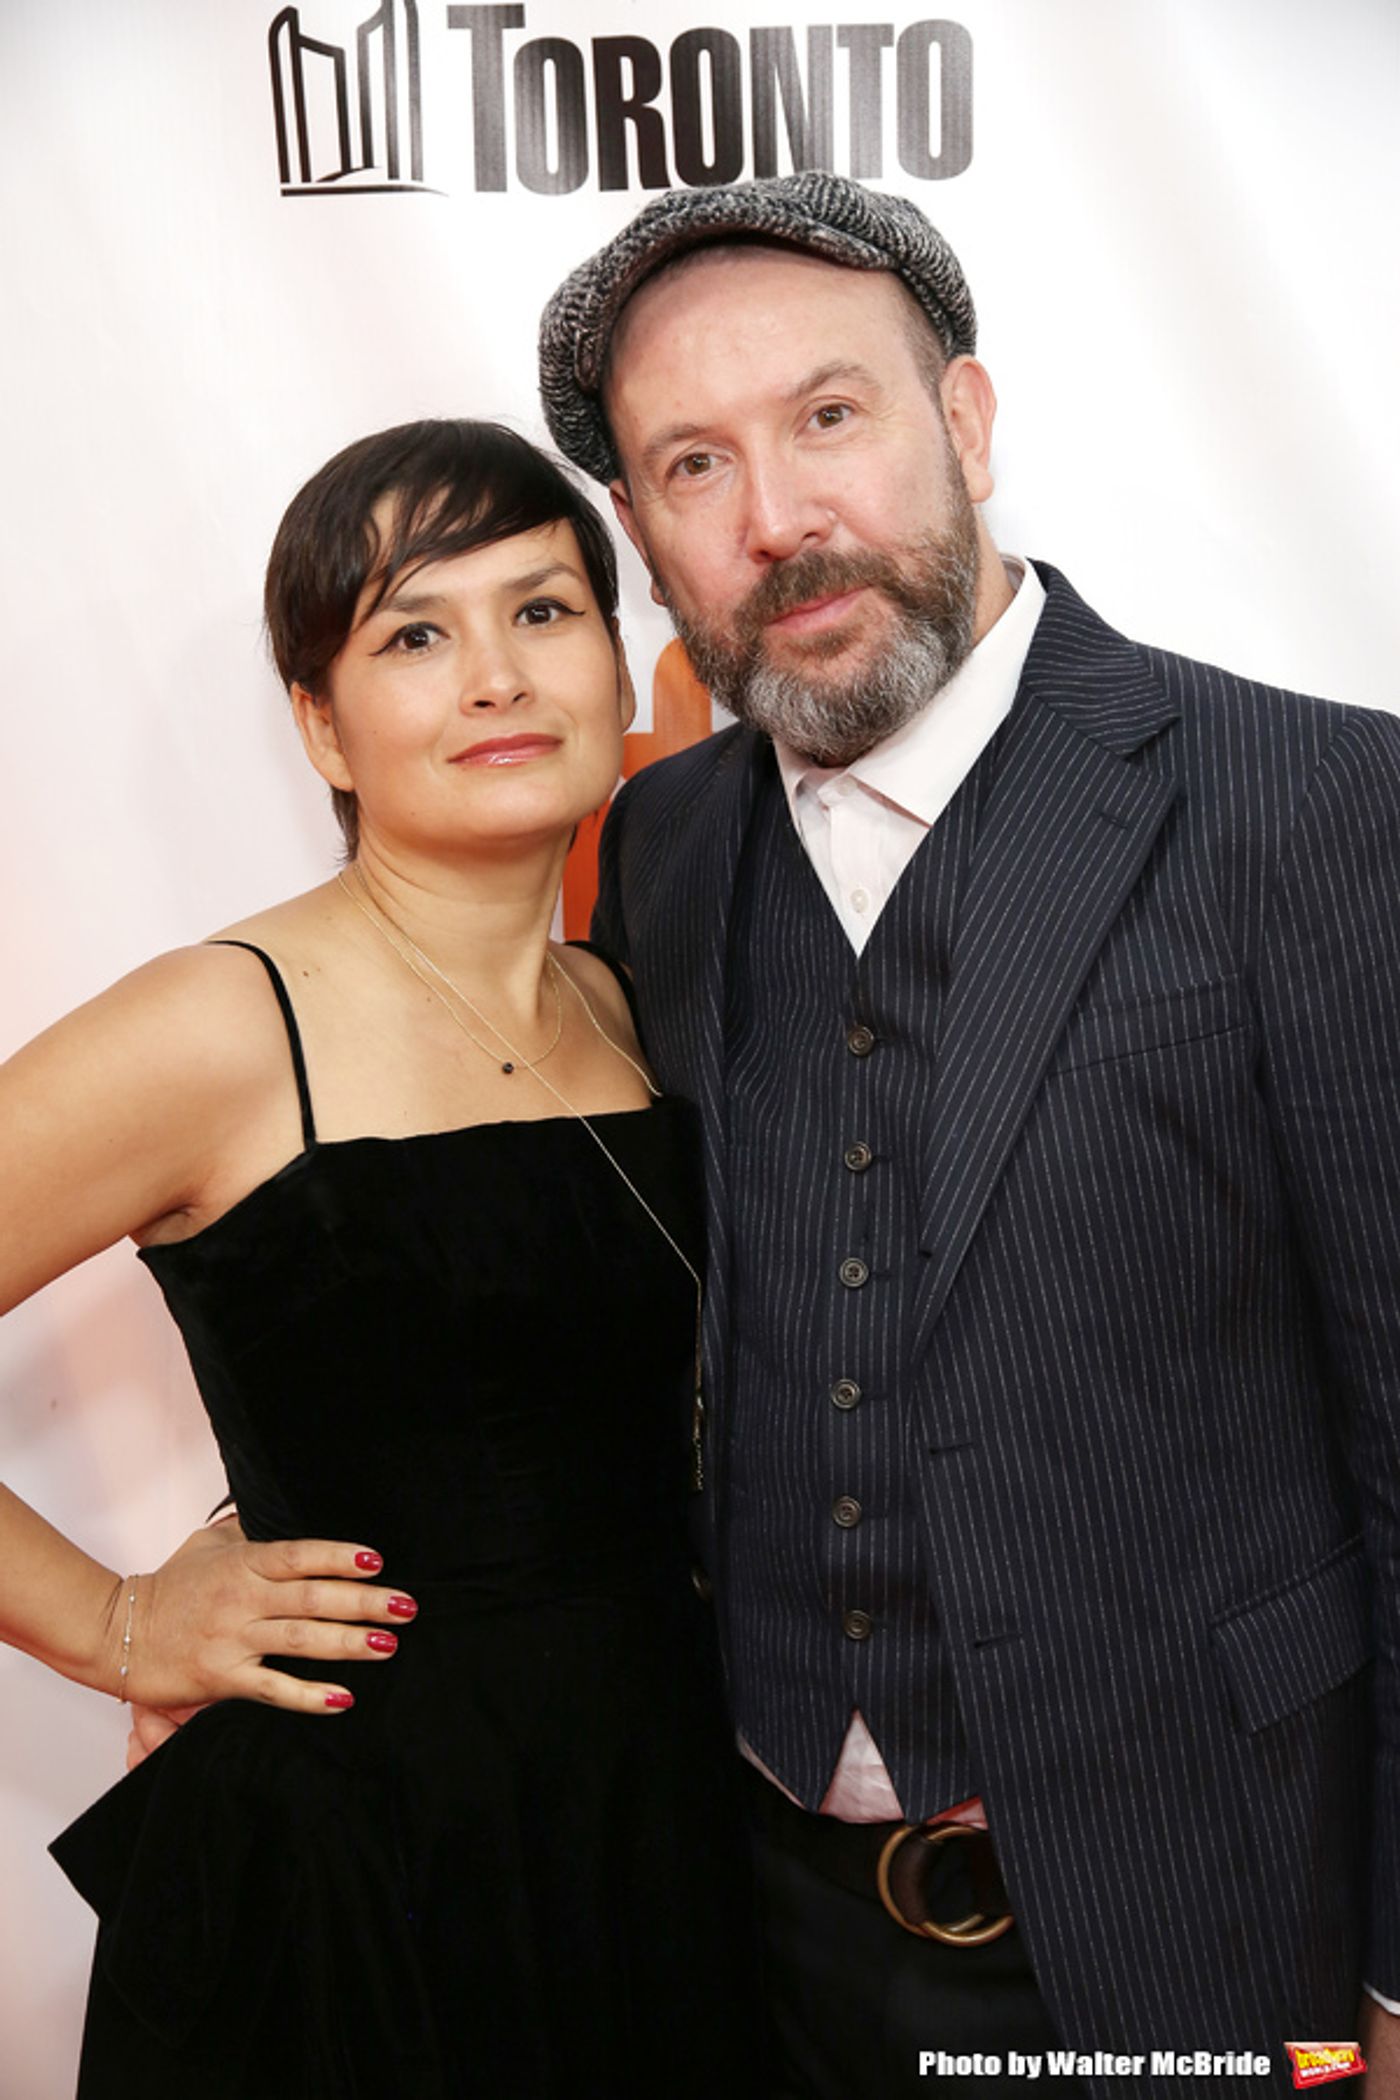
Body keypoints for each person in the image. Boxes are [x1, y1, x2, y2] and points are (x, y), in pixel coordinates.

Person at [528, 175, 1400, 2095]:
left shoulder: (1317, 804)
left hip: (1208, 1927)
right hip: (760, 1933)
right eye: (694, 464)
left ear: (968, 424)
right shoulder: (662, 846)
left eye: (829, 416)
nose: (778, 517)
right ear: (645, 541)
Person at [0, 419, 758, 2098]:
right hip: (354, 1888)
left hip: (649, 1837)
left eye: (542, 611)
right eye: (416, 634)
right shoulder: (220, 1024)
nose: (496, 676)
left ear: (617, 657)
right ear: (321, 724)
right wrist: (114, 1624)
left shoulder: (632, 1000)